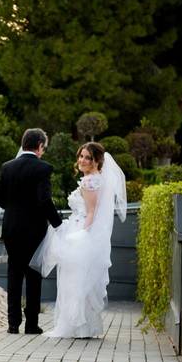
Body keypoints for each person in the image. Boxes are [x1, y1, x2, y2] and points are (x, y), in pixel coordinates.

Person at [30, 141, 127, 338]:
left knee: (74, 281)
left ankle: (74, 327)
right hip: (84, 229)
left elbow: (91, 212)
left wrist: (81, 236)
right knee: (80, 282)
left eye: (87, 157)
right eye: (81, 156)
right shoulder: (96, 179)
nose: (82, 160)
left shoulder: (90, 181)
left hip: (82, 231)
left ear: (96, 161)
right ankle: (84, 328)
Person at [0, 128, 63, 334]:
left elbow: (0, 199)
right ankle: (31, 324)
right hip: (34, 230)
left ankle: (12, 324)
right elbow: (44, 200)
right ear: (40, 146)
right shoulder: (43, 168)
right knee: (34, 275)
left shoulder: (7, 167)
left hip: (11, 228)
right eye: (44, 147)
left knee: (14, 274)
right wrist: (59, 224)